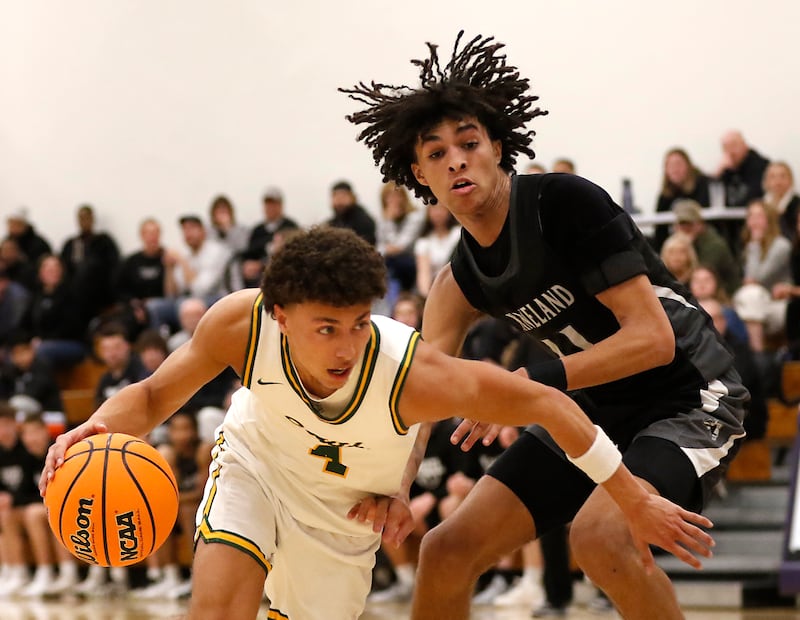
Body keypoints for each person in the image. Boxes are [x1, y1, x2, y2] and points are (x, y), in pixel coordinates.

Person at [40, 227, 713, 620]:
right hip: (258, 464)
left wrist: (629, 495)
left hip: (342, 514)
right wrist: (98, 426)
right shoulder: (239, 325)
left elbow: (547, 404)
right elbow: (155, 395)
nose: (344, 345)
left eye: (357, 323)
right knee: (216, 610)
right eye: (324, 328)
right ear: (279, 316)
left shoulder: (410, 373)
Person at [340, 31, 747, 619]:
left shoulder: (566, 204)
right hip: (586, 408)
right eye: (435, 153)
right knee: (445, 549)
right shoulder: (455, 285)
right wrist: (396, 485)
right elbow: (419, 393)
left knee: (600, 538)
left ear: (498, 147)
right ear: (419, 176)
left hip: (688, 396)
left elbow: (654, 342)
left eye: (469, 142)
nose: (455, 158)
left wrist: (526, 384)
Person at [732, 199, 792, 352]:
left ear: (769, 220)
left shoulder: (781, 245)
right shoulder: (749, 247)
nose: (754, 221)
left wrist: (755, 245)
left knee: (751, 295)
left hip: (780, 305)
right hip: (759, 304)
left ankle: (756, 355)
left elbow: (758, 277)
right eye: (751, 216)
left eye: (759, 216)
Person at [672, 199, 741, 296]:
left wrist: (686, 245)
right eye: (681, 224)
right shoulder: (676, 243)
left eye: (689, 224)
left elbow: (702, 275)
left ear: (700, 224)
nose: (685, 228)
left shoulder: (714, 245)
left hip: (722, 295)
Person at [653, 148, 712, 251]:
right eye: (670, 166)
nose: (675, 169)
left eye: (678, 164)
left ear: (689, 166)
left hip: (698, 244)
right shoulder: (664, 195)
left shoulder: (702, 184)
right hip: (673, 248)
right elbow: (659, 230)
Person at [327, 180, 377, 245]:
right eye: (335, 196)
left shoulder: (364, 222)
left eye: (343, 196)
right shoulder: (331, 224)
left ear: (353, 198)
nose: (339, 201)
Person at [762, 161, 800, 240]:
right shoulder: (761, 205)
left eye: (783, 176)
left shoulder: (797, 205)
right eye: (773, 177)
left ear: (790, 180)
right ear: (766, 181)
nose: (778, 181)